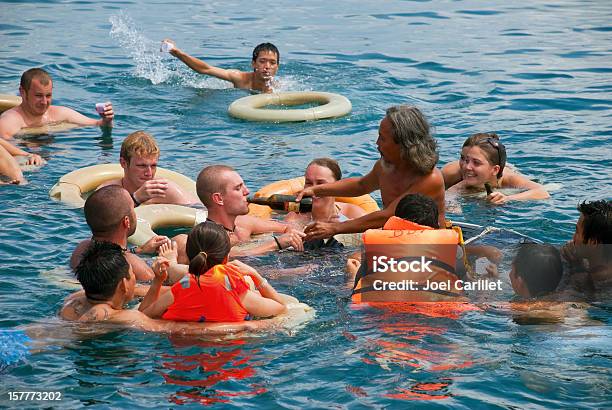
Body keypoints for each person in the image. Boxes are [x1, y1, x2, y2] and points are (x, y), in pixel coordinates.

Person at [297, 105, 446, 241]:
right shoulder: (385, 166)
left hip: (428, 245)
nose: (377, 143)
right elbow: (361, 185)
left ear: (403, 144)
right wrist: (316, 190)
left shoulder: (430, 178)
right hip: (396, 239)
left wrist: (335, 228)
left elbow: (388, 215)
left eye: (382, 138)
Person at [61, 240, 261, 335]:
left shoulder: (73, 300)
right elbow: (181, 329)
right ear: (123, 284)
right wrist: (249, 326)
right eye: (132, 275)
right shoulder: (128, 318)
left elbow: (139, 291)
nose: (134, 280)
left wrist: (159, 281)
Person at [140, 221, 287, 322]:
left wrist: (157, 281)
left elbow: (143, 315)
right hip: (230, 360)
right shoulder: (236, 289)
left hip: (184, 359)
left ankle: (172, 264)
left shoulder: (181, 288)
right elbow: (281, 308)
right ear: (226, 258)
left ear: (190, 256)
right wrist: (255, 275)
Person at [0, 68, 114, 183]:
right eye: (38, 96)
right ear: (23, 92)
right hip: (29, 161)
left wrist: (106, 120)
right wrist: (28, 153)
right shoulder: (10, 121)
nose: (44, 102)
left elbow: (97, 124)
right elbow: (4, 149)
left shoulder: (60, 113)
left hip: (53, 160)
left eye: (48, 95)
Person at [70, 185, 170, 281]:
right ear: (126, 222)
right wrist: (169, 260)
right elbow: (158, 293)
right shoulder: (136, 267)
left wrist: (139, 250)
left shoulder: (81, 249)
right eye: (132, 209)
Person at [442, 133, 549, 204]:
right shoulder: (451, 173)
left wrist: (507, 198)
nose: (466, 167)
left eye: (476, 162)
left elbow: (542, 192)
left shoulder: (509, 179)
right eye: (463, 158)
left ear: (495, 170)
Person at [98, 131, 198, 206]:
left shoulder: (164, 190)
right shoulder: (108, 191)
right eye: (142, 166)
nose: (149, 173)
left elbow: (201, 211)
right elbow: (103, 220)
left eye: (153, 166)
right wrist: (136, 198)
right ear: (123, 163)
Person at [163, 40, 279, 93]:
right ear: (253, 63)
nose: (267, 66)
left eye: (272, 63)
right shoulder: (239, 78)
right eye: (262, 61)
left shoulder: (278, 89)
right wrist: (178, 52)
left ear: (277, 67)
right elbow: (205, 69)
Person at [561, 199, 611, 290]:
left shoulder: (601, 281)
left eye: (577, 232)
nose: (573, 238)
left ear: (593, 242)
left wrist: (577, 267)